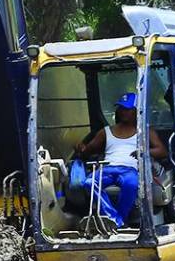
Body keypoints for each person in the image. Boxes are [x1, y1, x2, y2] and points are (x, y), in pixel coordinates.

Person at [71, 92, 168, 227]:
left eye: (127, 109)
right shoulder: (106, 131)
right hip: (107, 168)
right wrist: (81, 148)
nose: (122, 112)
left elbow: (162, 151)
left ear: (136, 111)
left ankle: (118, 220)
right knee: (89, 183)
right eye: (121, 108)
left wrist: (144, 152)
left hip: (130, 170)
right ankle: (116, 220)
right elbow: (88, 151)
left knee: (132, 184)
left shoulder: (145, 131)